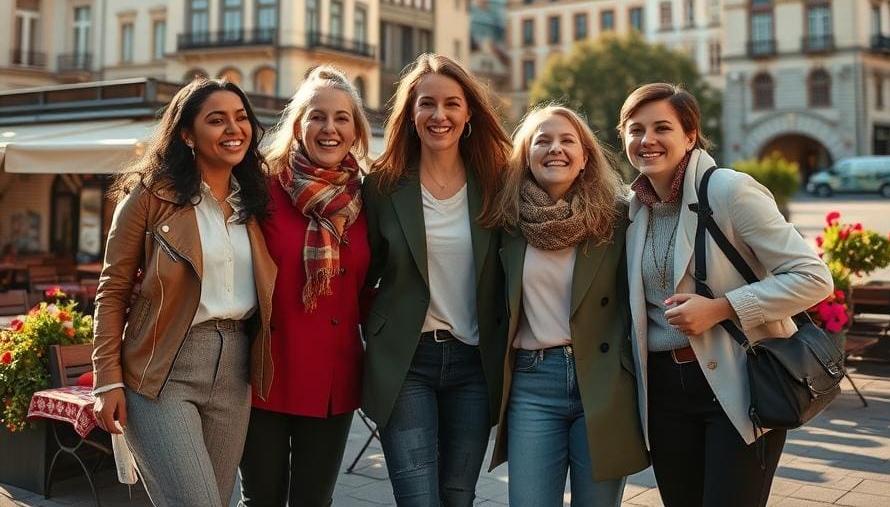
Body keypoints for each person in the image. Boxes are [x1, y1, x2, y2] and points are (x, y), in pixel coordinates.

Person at [619, 82, 832, 507]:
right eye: (635, 129)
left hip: (737, 381)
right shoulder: (632, 208)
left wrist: (722, 308)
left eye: (662, 127)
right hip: (663, 391)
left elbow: (813, 277)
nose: (648, 140)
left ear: (690, 135)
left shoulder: (728, 190)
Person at [92, 78, 276, 507]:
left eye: (241, 117)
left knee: (219, 499)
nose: (234, 129)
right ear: (187, 134)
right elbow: (113, 289)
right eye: (217, 120)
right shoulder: (151, 195)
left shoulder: (254, 199)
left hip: (235, 367)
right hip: (162, 367)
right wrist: (107, 380)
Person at [362, 53, 510, 507]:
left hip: (474, 364)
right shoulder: (382, 187)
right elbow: (361, 274)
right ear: (410, 114)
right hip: (406, 362)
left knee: (457, 496)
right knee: (417, 497)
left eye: (451, 104)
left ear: (468, 114)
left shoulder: (497, 183)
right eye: (427, 104)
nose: (439, 115)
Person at [488, 105, 648, 506]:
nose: (554, 148)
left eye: (566, 141)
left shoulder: (618, 218)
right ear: (526, 155)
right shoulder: (505, 221)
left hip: (603, 380)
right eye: (542, 140)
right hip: (532, 383)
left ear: (584, 158)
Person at [238, 66, 373, 507]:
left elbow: (378, 287)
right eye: (317, 116)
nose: (329, 128)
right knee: (262, 500)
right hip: (266, 371)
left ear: (356, 130)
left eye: (341, 118)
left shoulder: (369, 198)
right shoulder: (261, 187)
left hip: (334, 376)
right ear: (298, 125)